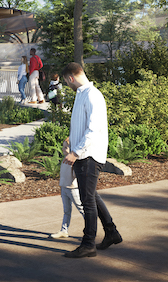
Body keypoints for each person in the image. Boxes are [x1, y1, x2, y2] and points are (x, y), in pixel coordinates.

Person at [61, 62, 122, 258]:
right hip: (83, 153)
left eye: (66, 82)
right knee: (91, 195)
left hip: (88, 156)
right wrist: (71, 139)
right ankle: (111, 232)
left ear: (71, 77)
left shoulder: (92, 95)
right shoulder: (82, 94)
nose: (67, 85)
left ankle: (88, 244)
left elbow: (94, 130)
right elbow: (84, 125)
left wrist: (75, 152)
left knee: (87, 200)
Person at [50, 137, 84, 239]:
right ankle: (64, 230)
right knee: (66, 211)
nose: (64, 149)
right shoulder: (64, 160)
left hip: (73, 189)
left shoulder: (73, 162)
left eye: (66, 147)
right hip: (64, 188)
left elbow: (77, 175)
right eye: (63, 147)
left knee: (82, 209)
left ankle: (90, 229)